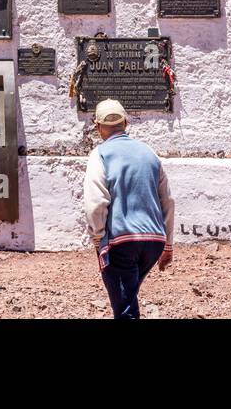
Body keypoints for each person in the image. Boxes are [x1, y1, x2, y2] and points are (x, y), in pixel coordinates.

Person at [83, 99, 174, 320]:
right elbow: (168, 201)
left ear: (98, 127)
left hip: (121, 241)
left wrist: (98, 238)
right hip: (154, 242)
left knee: (125, 310)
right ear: (125, 122)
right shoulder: (150, 153)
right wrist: (168, 244)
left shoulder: (100, 154)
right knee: (128, 297)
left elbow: (96, 203)